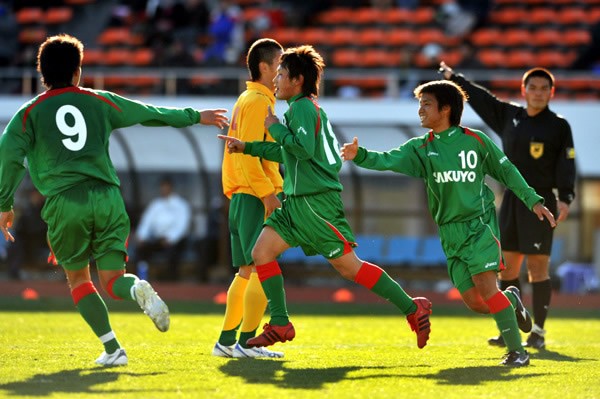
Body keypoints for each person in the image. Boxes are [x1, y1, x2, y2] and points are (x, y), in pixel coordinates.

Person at [0, 34, 229, 366]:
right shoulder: (99, 101)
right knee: (113, 280)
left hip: (66, 202)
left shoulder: (28, 114)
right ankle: (135, 290)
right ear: (78, 72)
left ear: (42, 74)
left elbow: (8, 159)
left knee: (79, 279)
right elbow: (150, 112)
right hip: (108, 197)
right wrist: (196, 116)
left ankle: (113, 350)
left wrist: (5, 204)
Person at [218, 44, 432, 352]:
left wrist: (275, 128)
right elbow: (287, 151)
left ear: (298, 80)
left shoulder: (304, 108)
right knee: (261, 252)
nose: (277, 79)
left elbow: (300, 148)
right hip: (296, 202)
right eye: (276, 71)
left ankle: (413, 308)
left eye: (282, 73)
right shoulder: (298, 110)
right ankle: (280, 321)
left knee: (350, 268)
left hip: (316, 204)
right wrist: (247, 146)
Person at [340, 79, 556, 366]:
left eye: (426, 104)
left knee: (488, 289)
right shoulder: (421, 148)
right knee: (477, 302)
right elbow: (388, 160)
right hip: (449, 233)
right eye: (420, 104)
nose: (420, 110)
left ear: (445, 109)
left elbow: (507, 171)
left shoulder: (475, 140)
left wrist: (533, 200)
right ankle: (512, 300)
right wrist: (360, 156)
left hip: (478, 225)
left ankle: (518, 352)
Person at [439, 62, 576, 350]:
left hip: (540, 202)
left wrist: (566, 197)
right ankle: (508, 326)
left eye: (544, 88)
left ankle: (538, 331)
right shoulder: (509, 116)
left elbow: (567, 163)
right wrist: (455, 77)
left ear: (551, 92)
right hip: (512, 201)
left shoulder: (559, 126)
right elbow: (482, 99)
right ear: (523, 90)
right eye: (533, 87)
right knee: (506, 269)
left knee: (537, 268)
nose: (538, 93)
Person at [212, 38, 285, 359]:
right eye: (280, 65)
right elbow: (247, 153)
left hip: (243, 195)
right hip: (255, 196)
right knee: (261, 268)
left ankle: (227, 342)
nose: (283, 72)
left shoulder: (248, 98)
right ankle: (246, 342)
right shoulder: (258, 101)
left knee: (246, 271)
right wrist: (268, 193)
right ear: (264, 67)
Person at [134, 175, 192, 282]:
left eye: (165, 187)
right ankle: (142, 279)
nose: (163, 189)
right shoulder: (156, 204)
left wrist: (170, 239)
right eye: (162, 187)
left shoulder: (181, 205)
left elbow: (182, 226)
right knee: (141, 250)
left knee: (172, 253)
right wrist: (141, 236)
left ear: (171, 187)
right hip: (157, 239)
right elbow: (146, 222)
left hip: (175, 241)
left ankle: (171, 281)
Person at [5, 187, 47, 280]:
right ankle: (14, 273)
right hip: (27, 240)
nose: (38, 197)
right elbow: (21, 229)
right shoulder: (28, 209)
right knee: (14, 243)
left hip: (43, 239)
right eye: (35, 195)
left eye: (40, 195)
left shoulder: (46, 209)